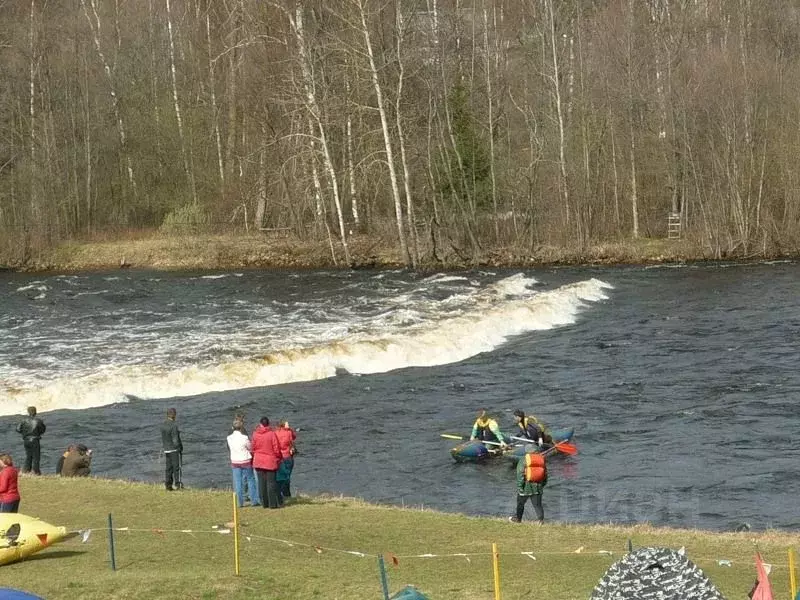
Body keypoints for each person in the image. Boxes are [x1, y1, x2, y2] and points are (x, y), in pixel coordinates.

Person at [227, 419, 260, 508]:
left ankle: (240, 502)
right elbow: (250, 447)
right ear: (241, 427)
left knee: (238, 481)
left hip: (235, 461)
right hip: (245, 460)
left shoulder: (229, 438)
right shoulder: (244, 438)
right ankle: (254, 500)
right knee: (250, 479)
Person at [509, 449, 547, 523]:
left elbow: (520, 475)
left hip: (525, 487)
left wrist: (520, 487)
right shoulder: (541, 460)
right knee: (538, 505)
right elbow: (545, 475)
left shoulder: (523, 460)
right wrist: (542, 485)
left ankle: (518, 519)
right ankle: (541, 521)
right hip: (538, 488)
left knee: (520, 503)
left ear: (527, 451)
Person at [251, 417, 281, 509]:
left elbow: (252, 447)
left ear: (260, 424)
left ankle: (264, 503)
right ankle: (272, 504)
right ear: (268, 424)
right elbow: (276, 448)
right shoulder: (271, 434)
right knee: (271, 483)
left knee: (261, 483)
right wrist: (278, 457)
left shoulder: (255, 434)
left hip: (259, 460)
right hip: (270, 461)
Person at [15, 406, 46, 475]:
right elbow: (43, 430)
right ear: (35, 412)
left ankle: (27, 471)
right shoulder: (38, 421)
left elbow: (18, 429)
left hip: (26, 440)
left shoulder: (23, 420)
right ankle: (36, 472)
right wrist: (37, 433)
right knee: (36, 457)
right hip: (35, 440)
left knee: (28, 456)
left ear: (28, 412)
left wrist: (24, 433)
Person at [160, 407, 183, 491]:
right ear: (174, 415)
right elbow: (175, 440)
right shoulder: (174, 425)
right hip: (174, 450)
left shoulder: (163, 425)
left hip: (166, 449)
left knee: (168, 468)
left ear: (167, 415)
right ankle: (178, 485)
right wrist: (179, 448)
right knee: (176, 468)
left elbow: (166, 436)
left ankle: (168, 485)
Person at [275, 420, 297, 503]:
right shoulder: (288, 432)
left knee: (280, 476)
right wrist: (289, 429)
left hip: (279, 457)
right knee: (287, 476)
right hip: (287, 456)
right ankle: (286, 494)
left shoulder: (275, 433)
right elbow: (294, 437)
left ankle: (280, 493)